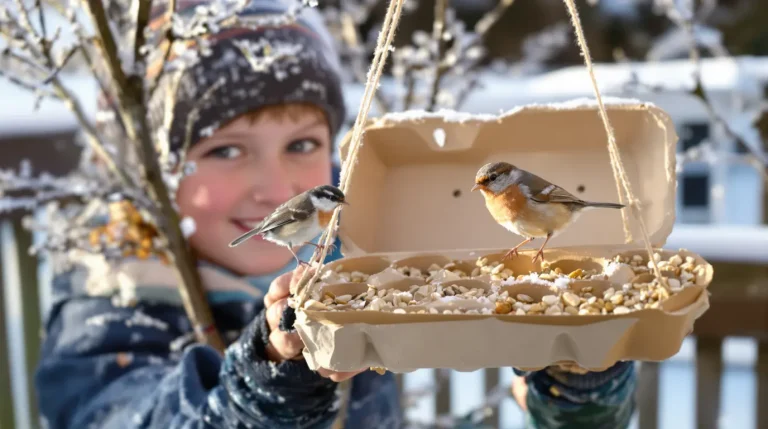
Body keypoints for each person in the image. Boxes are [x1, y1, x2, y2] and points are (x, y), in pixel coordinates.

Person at [34, 1, 637, 428]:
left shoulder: (363, 272)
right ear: (155, 177)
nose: (276, 187)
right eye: (224, 150)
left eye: (300, 145)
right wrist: (269, 379)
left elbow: (574, 420)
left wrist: (575, 377)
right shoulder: (114, 297)